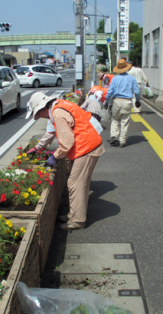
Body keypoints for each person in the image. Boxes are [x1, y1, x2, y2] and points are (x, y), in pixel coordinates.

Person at [26, 92, 105, 231]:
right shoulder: (61, 105)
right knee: (79, 183)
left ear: (43, 109)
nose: (41, 118)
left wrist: (55, 157)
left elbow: (67, 143)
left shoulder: (57, 114)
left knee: (75, 183)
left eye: (39, 115)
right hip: (88, 144)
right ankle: (73, 214)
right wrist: (41, 148)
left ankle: (77, 221)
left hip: (86, 148)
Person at [103, 59, 141, 148]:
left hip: (116, 101)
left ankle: (114, 136)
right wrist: (138, 100)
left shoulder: (115, 78)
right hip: (127, 101)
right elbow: (137, 91)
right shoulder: (131, 78)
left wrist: (106, 101)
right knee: (125, 122)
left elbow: (110, 91)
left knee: (115, 119)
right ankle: (123, 141)